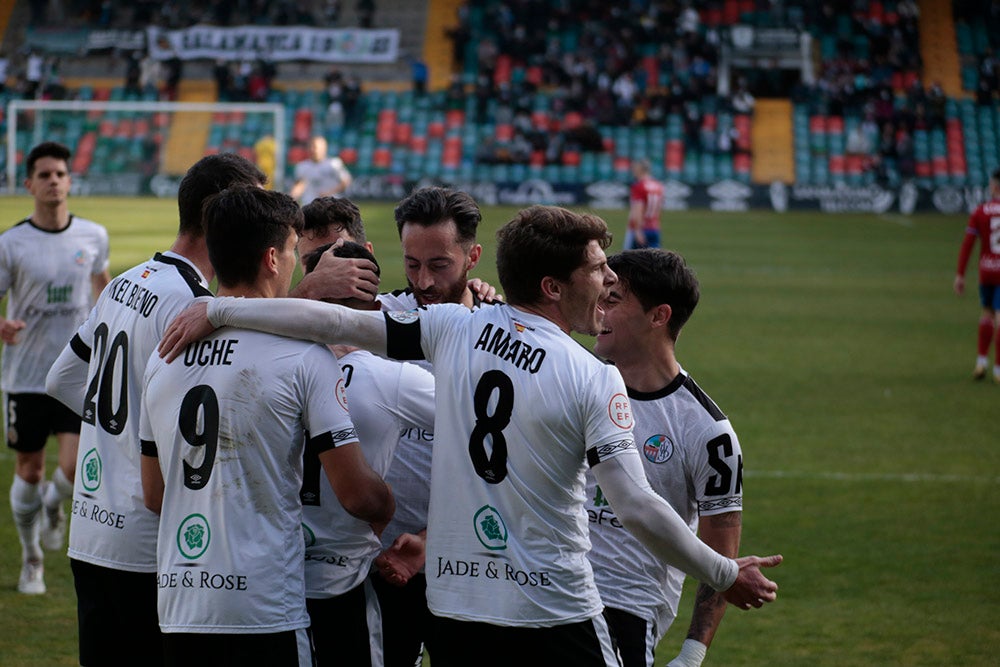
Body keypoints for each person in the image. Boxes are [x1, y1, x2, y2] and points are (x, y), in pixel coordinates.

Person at [158, 205, 782, 667]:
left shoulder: (453, 329)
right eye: (598, 269)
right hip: (550, 611)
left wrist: (220, 309)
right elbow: (640, 508)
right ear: (553, 286)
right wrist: (724, 572)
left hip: (456, 613)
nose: (609, 282)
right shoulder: (593, 377)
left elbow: (332, 319)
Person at [139, 186, 394, 666]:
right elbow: (357, 493)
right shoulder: (305, 357)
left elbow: (154, 495)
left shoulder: (164, 355)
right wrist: (388, 508)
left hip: (180, 604)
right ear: (273, 258)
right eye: (297, 251)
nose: (299, 264)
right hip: (264, 608)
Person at [45, 153, 268, 665]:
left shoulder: (126, 281)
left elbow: (61, 379)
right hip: (146, 544)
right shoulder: (189, 306)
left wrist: (115, 435)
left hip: (90, 530)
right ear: (219, 215)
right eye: (252, 207)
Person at [585, 248, 743, 667]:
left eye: (613, 300)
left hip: (625, 608)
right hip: (548, 589)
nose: (598, 309)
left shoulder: (708, 433)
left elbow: (721, 557)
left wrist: (691, 655)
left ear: (659, 316)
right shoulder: (576, 385)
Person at [300, 239, 436, 667]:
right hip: (343, 583)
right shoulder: (393, 379)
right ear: (377, 313)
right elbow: (487, 427)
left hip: (271, 580)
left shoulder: (270, 360)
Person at [2, 141, 110, 595]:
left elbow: (104, 291)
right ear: (29, 184)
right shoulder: (10, 243)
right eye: (44, 175)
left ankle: (52, 504)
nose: (53, 181)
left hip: (76, 373)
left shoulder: (93, 236)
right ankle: (31, 559)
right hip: (25, 376)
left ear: (69, 181)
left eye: (60, 174)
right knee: (28, 469)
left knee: (72, 469)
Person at [954, 168, 1000, 382]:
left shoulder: (980, 211)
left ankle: (981, 362)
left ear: (993, 186)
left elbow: (967, 245)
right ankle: (998, 369)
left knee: (986, 315)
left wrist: (960, 274)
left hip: (986, 272)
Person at [289, 135, 353, 205]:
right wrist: (290, 199)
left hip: (331, 206)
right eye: (310, 146)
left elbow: (346, 181)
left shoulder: (333, 164)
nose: (312, 149)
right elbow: (300, 185)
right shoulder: (302, 166)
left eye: (315, 147)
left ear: (324, 148)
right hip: (309, 206)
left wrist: (329, 193)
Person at [624, 158, 665, 250]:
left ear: (640, 169)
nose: (633, 171)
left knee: (628, 260)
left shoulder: (639, 186)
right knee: (655, 260)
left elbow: (638, 209)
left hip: (641, 228)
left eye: (635, 168)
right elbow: (658, 209)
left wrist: (638, 230)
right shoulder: (658, 185)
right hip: (654, 227)